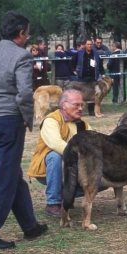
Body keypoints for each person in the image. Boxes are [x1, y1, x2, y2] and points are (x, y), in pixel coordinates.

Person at [0, 11, 47, 250]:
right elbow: (24, 93)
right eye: (28, 32)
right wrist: (26, 118)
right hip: (9, 121)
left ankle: (30, 225)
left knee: (11, 174)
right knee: (4, 178)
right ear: (21, 33)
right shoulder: (22, 56)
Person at [27, 89, 92, 218]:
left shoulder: (83, 124)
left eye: (82, 105)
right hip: (47, 170)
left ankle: (66, 195)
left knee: (103, 180)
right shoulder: (51, 120)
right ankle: (53, 203)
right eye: (76, 105)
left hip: (73, 168)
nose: (80, 108)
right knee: (55, 156)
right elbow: (57, 144)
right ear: (64, 105)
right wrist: (82, 156)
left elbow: (94, 144)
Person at [69, 39, 105, 116]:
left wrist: (103, 73)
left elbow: (100, 65)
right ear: (85, 45)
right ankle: (77, 111)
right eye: (88, 44)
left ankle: (91, 111)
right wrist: (73, 70)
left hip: (92, 78)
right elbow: (72, 62)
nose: (89, 46)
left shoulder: (96, 54)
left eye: (91, 44)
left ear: (92, 45)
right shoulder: (79, 53)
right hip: (82, 78)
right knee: (79, 95)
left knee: (92, 94)